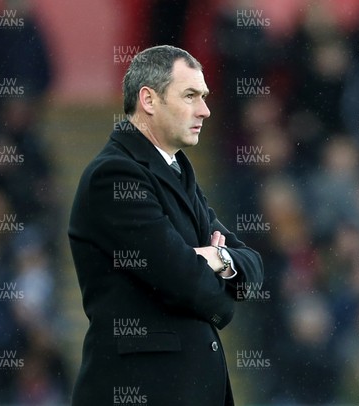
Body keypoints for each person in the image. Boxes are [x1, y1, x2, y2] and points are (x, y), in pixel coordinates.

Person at [68, 45, 263, 405]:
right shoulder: (114, 176)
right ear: (149, 99)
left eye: (204, 97)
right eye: (190, 96)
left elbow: (253, 265)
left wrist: (217, 258)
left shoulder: (177, 172)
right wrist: (212, 265)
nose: (205, 110)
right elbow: (186, 281)